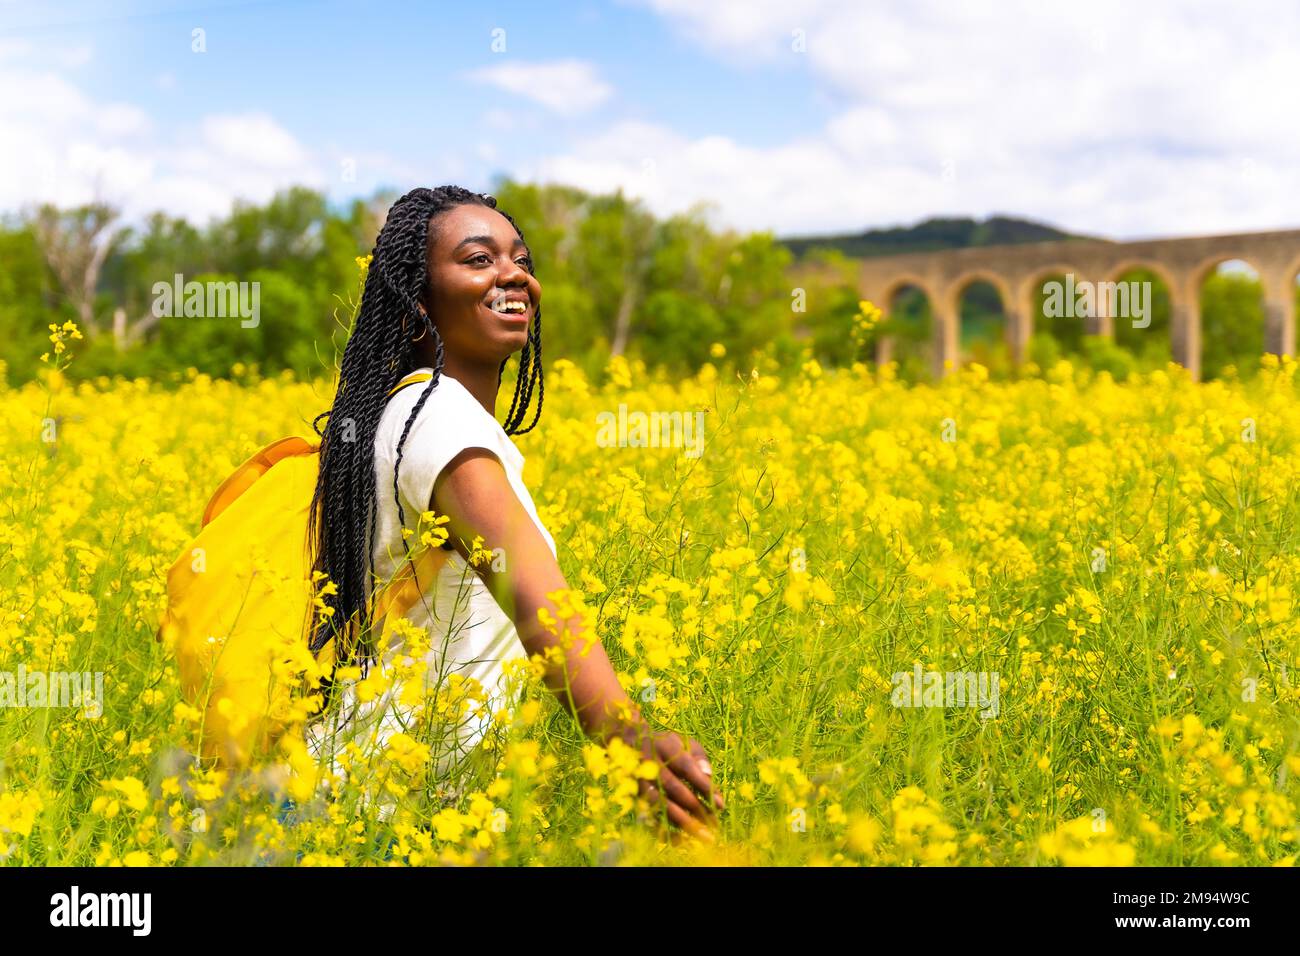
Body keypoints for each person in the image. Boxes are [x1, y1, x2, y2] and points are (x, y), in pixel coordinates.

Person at [302, 185, 722, 842]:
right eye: (478, 260)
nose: (513, 275)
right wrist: (628, 739)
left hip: (360, 804)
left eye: (521, 259)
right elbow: (539, 609)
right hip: (382, 815)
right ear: (418, 299)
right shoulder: (440, 420)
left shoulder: (407, 414)